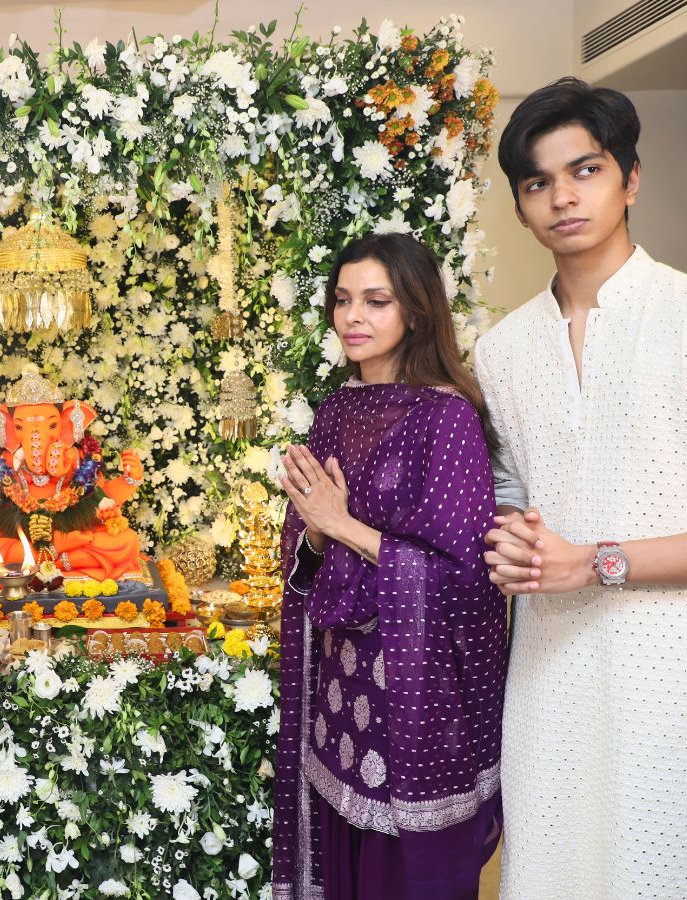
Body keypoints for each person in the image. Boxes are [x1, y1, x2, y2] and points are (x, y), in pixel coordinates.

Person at [477, 77, 687, 899]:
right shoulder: (501, 351)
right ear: (521, 208)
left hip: (667, 682)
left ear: (630, 178)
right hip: (547, 682)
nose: (562, 197)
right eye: (538, 182)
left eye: (585, 170)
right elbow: (510, 498)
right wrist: (509, 543)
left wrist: (594, 562)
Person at [270, 233, 507, 900]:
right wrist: (319, 533)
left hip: (414, 701)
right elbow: (307, 551)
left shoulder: (446, 416)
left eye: (376, 301)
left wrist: (343, 524)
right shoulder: (338, 409)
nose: (353, 316)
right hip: (343, 700)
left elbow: (466, 579)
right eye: (343, 299)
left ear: (416, 310)